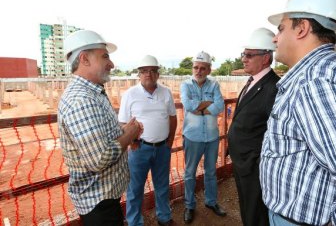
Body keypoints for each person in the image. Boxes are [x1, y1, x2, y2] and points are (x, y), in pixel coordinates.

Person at [260, 0, 336, 225]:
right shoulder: (332, 73)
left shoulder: (316, 83)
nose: (275, 38)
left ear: (302, 28)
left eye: (281, 28)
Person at [58, 30, 142, 226]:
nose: (111, 64)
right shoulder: (81, 100)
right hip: (98, 204)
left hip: (103, 198)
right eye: (105, 56)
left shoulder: (93, 92)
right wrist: (129, 134)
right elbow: (100, 158)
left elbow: (102, 132)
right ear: (84, 59)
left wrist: (123, 128)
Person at [227, 28, 280, 226]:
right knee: (247, 208)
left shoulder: (273, 87)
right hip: (243, 162)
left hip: (254, 166)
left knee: (255, 213)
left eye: (249, 55)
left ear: (265, 58)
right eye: (244, 54)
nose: (244, 59)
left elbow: (274, 134)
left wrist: (256, 162)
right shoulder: (254, 81)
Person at [118, 55, 177, 226]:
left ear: (158, 74)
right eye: (144, 71)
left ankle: (164, 217)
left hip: (162, 148)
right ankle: (135, 222)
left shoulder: (165, 92)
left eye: (152, 71)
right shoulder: (130, 94)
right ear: (139, 74)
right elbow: (123, 122)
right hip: (139, 149)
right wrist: (132, 142)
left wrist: (170, 141)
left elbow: (172, 118)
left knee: (162, 185)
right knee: (135, 189)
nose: (148, 74)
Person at [180, 51, 225, 224]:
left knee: (211, 172)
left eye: (202, 68)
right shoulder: (185, 85)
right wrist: (207, 104)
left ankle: (211, 202)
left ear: (208, 70)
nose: (198, 71)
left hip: (212, 137)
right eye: (195, 67)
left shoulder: (214, 85)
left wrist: (201, 108)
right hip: (192, 136)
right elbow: (188, 105)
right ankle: (189, 205)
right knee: (190, 173)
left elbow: (220, 105)